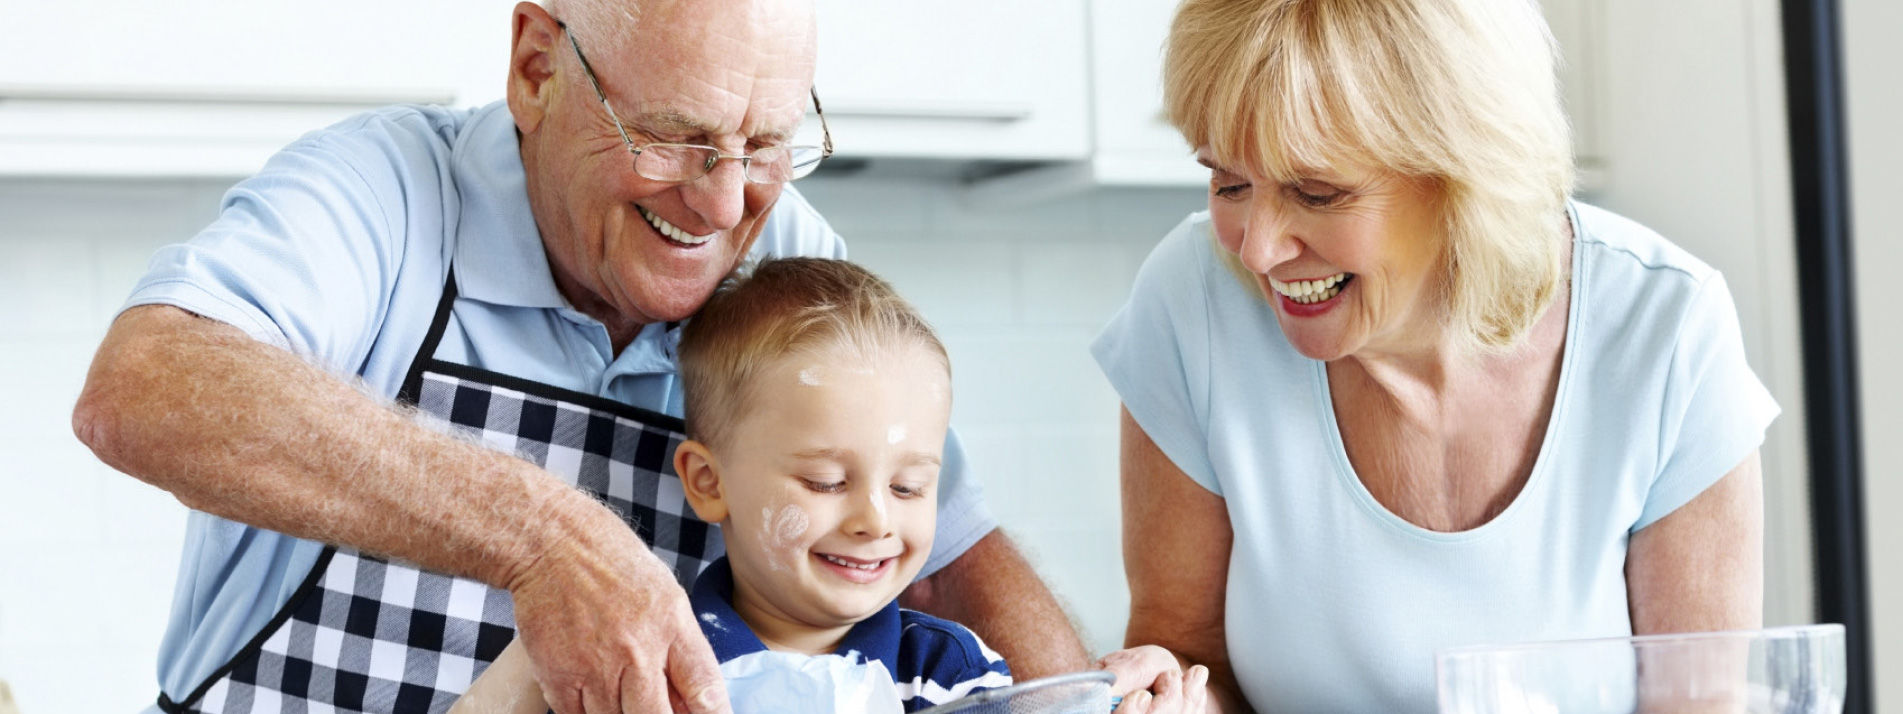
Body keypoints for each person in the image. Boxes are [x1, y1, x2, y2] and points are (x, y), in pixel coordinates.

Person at [69, 1, 1087, 712]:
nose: (724, 201)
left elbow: (939, 555)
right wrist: (544, 538)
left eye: (767, 144)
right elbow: (145, 389)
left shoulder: (781, 252)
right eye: (673, 135)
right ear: (536, 68)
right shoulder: (383, 193)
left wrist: (1093, 700)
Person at [1089, 0, 1777, 712]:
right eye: (1229, 182)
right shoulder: (1191, 306)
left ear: (1466, 174)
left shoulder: (1663, 331)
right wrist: (1178, 701)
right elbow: (1195, 664)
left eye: (1317, 192)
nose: (1257, 248)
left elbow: (1700, 704)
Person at [452, 258, 1013, 714]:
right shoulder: (645, 664)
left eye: (909, 487)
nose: (876, 519)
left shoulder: (950, 675)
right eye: (826, 482)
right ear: (708, 481)